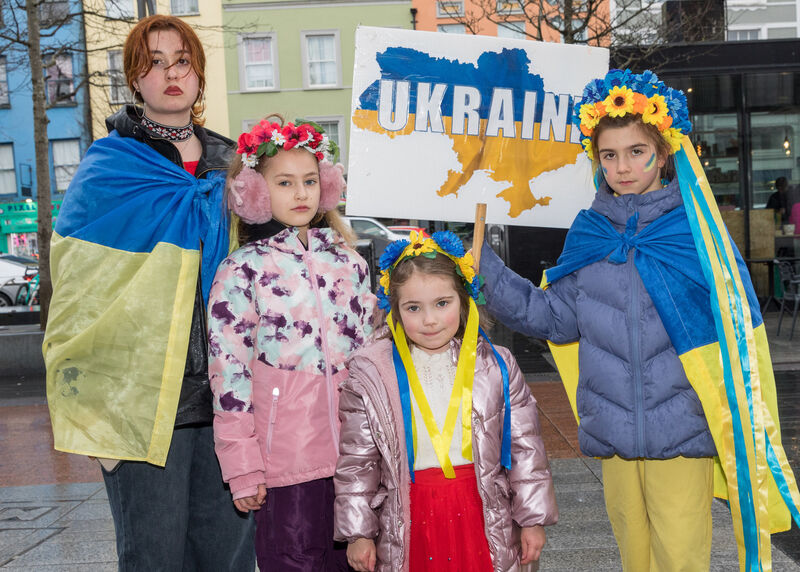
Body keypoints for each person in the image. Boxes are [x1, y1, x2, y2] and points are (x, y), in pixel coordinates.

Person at [478, 69, 800, 571]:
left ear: (663, 153)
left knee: (682, 557)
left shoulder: (697, 232)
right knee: (635, 557)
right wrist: (485, 272)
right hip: (613, 434)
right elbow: (555, 318)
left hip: (682, 431)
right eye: (609, 155)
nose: (622, 166)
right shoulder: (589, 231)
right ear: (596, 159)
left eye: (635, 152)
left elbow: (736, 332)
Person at [43, 15, 255, 570]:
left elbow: (271, 274)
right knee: (153, 558)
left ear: (199, 74)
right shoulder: (109, 169)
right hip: (141, 403)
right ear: (134, 81)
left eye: (181, 60)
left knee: (229, 560)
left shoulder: (236, 166)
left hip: (230, 399)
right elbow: (77, 283)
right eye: (153, 63)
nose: (170, 73)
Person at [333, 231, 558, 572]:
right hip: (411, 517)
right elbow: (357, 462)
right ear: (394, 308)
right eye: (413, 308)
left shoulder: (496, 365)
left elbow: (526, 449)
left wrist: (532, 519)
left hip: (482, 512)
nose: (429, 320)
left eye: (442, 303)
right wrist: (358, 533)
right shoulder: (372, 375)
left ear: (464, 299)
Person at [207, 117, 377, 570]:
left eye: (308, 181)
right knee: (294, 561)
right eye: (284, 182)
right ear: (256, 192)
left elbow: (375, 356)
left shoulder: (349, 261)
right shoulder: (241, 270)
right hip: (285, 464)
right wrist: (242, 466)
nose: (301, 193)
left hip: (355, 458)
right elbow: (229, 376)